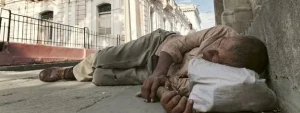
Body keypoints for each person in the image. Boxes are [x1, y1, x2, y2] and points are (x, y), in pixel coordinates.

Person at [39, 25, 268, 113]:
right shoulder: (223, 33)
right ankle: (66, 72)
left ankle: (82, 73)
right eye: (217, 47)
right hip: (159, 48)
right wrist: (159, 72)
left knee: (101, 77)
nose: (210, 52)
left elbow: (175, 90)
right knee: (106, 58)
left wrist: (163, 94)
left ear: (230, 70)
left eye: (218, 57)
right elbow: (179, 43)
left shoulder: (222, 85)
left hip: (159, 75)